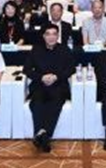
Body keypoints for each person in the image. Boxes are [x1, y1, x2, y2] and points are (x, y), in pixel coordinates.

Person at [26, 25, 75, 153]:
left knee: (56, 102)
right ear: (43, 36)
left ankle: (41, 134)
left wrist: (56, 77)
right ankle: (45, 135)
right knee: (36, 102)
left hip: (58, 85)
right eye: (48, 34)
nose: (51, 37)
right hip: (40, 84)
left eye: (54, 34)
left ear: (58, 36)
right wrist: (41, 77)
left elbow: (71, 69)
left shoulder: (64, 49)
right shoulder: (36, 49)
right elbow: (26, 69)